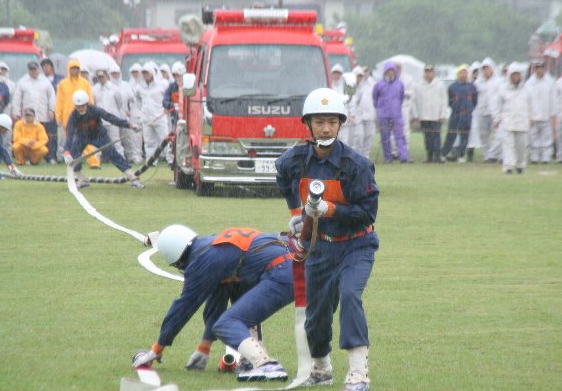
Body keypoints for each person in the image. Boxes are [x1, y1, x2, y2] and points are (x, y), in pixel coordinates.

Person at [275, 88, 379, 391]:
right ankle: (321, 368)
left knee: (349, 296)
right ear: (307, 124)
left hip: (356, 246)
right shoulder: (294, 160)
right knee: (317, 313)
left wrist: (329, 209)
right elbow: (282, 176)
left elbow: (368, 213)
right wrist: (297, 211)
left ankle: (359, 373)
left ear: (340, 124)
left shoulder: (356, 165)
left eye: (332, 122)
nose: (326, 128)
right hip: (318, 249)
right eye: (319, 122)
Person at [132, 225, 295, 382]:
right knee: (240, 310)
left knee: (227, 322)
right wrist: (204, 347)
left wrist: (157, 348)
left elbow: (183, 308)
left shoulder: (201, 261)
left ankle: (266, 365)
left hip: (282, 271)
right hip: (298, 263)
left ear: (178, 259)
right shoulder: (212, 246)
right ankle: (251, 361)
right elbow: (217, 298)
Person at [63, 90, 144, 189]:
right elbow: (69, 133)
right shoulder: (73, 116)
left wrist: (129, 125)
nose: (80, 109)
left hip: (99, 136)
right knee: (73, 155)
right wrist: (67, 151)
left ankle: (133, 178)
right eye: (78, 106)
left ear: (87, 104)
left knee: (113, 154)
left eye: (82, 106)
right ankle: (82, 180)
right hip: (82, 137)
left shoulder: (95, 110)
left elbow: (111, 118)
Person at [55, 59, 100, 169]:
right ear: (69, 70)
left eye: (76, 69)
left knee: (86, 139)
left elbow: (90, 99)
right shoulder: (63, 84)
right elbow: (59, 101)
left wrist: (91, 113)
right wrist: (58, 116)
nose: (74, 71)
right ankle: (73, 163)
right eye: (72, 69)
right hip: (67, 117)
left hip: (83, 116)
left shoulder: (85, 83)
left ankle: (93, 162)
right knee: (70, 141)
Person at [12, 61, 56, 163]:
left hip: (42, 114)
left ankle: (48, 157)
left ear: (38, 69)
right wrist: (16, 112)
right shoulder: (22, 81)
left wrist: (51, 110)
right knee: (26, 137)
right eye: (31, 69)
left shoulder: (45, 81)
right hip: (28, 115)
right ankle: (25, 158)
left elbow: (52, 96)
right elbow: (17, 98)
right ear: (28, 70)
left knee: (45, 137)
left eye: (35, 69)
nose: (33, 71)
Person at [494, 62, 530, 174]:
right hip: (508, 121)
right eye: (513, 75)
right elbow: (497, 105)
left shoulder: (526, 89)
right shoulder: (503, 89)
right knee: (508, 145)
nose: (516, 77)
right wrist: (496, 118)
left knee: (521, 146)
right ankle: (508, 166)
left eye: (517, 75)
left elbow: (531, 105)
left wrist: (531, 117)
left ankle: (520, 165)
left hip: (522, 121)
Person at [134, 64, 173, 165]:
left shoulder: (162, 84)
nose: (145, 75)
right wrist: (142, 111)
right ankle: (151, 161)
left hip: (160, 117)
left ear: (152, 73)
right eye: (144, 73)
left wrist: (165, 108)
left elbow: (168, 97)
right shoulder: (139, 87)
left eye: (147, 73)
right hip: (146, 119)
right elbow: (137, 100)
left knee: (165, 139)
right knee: (149, 142)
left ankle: (170, 160)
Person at [440, 64, 478, 163]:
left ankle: (460, 154)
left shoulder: (471, 87)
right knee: (451, 134)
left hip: (467, 114)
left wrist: (470, 108)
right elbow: (449, 100)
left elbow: (475, 100)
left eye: (465, 72)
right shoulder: (453, 87)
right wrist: (455, 106)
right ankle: (444, 153)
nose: (463, 75)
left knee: (465, 135)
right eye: (461, 72)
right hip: (456, 113)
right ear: (457, 74)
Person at [373, 62, 408, 163]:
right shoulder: (379, 84)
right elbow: (375, 99)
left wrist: (396, 107)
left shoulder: (400, 84)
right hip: (383, 116)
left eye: (392, 71)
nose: (390, 73)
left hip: (396, 115)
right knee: (385, 138)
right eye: (388, 71)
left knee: (400, 136)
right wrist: (380, 109)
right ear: (385, 72)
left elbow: (401, 97)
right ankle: (388, 157)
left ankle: (403, 156)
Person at [413, 64, 448, 163]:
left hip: (436, 116)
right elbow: (414, 101)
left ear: (433, 73)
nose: (428, 74)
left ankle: (437, 155)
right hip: (424, 116)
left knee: (436, 137)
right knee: (427, 137)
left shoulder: (440, 85)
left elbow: (444, 101)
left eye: (430, 72)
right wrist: (416, 115)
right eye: (426, 72)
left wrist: (443, 114)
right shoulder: (419, 85)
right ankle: (429, 156)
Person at [110, 63, 142, 164]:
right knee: (115, 139)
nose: (115, 75)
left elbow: (132, 99)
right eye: (113, 73)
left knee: (128, 137)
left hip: (124, 115)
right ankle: (119, 157)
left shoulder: (125, 85)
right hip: (112, 116)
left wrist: (129, 109)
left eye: (117, 73)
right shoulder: (108, 86)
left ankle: (133, 156)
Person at [526, 61, 555, 164]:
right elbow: (527, 100)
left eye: (541, 68)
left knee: (546, 138)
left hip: (546, 115)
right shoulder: (529, 83)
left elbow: (553, 99)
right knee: (533, 138)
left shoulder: (550, 81)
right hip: (533, 116)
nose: (539, 70)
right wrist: (529, 116)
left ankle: (546, 158)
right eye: (537, 68)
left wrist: (553, 114)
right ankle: (534, 157)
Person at [93, 69, 126, 158]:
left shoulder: (114, 88)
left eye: (102, 77)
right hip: (100, 120)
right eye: (99, 77)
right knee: (97, 142)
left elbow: (119, 102)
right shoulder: (95, 89)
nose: (101, 79)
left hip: (112, 119)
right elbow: (94, 103)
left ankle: (121, 159)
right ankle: (95, 162)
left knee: (116, 141)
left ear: (107, 77)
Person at [475, 57, 503, 163]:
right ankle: (487, 156)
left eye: (488, 68)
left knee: (498, 135)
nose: (486, 71)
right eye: (484, 69)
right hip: (482, 112)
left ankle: (496, 154)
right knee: (483, 135)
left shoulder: (499, 82)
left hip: (494, 112)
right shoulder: (478, 82)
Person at [40, 58, 64, 163]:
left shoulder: (60, 79)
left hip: (58, 110)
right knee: (45, 134)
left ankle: (55, 155)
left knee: (56, 135)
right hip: (45, 110)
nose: (46, 68)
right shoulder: (41, 80)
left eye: (47, 66)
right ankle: (46, 155)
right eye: (44, 66)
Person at [350, 66, 375, 159]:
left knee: (369, 136)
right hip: (356, 116)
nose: (360, 77)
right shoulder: (350, 85)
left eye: (362, 75)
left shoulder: (370, 84)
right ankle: (357, 156)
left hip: (369, 114)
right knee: (358, 137)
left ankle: (366, 157)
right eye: (358, 75)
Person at [465, 61, 482, 162]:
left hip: (482, 110)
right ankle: (468, 153)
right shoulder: (469, 85)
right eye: (475, 72)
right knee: (470, 132)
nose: (476, 75)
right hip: (471, 111)